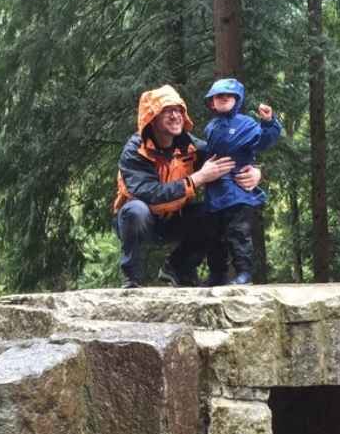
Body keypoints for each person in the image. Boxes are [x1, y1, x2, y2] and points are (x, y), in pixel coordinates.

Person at [112, 84, 262, 288]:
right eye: (167, 111)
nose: (175, 116)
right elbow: (150, 194)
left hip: (176, 217)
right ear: (152, 117)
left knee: (213, 213)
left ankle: (178, 268)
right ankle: (132, 278)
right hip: (142, 219)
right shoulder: (134, 150)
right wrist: (197, 179)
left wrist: (254, 172)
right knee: (136, 210)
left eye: (179, 110)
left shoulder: (189, 144)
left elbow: (226, 157)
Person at [201, 78, 283, 285]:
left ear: (237, 99)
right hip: (214, 189)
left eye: (229, 95)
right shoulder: (210, 128)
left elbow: (264, 141)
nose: (224, 98)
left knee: (238, 232)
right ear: (211, 102)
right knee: (214, 235)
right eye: (219, 95)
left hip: (238, 188)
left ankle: (244, 272)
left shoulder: (246, 123)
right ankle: (217, 274)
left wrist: (269, 122)